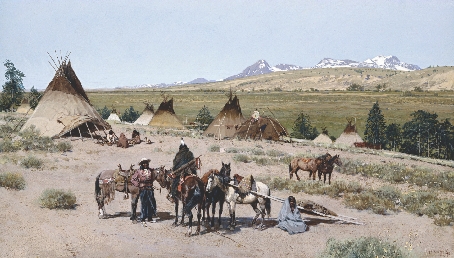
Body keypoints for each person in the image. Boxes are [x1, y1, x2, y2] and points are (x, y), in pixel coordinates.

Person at [131, 158, 157, 227]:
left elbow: (154, 177)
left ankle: (150, 218)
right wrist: (138, 184)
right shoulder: (138, 171)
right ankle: (143, 218)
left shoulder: (151, 170)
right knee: (144, 203)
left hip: (150, 189)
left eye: (146, 163)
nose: (145, 164)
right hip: (143, 189)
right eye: (144, 163)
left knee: (151, 203)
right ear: (142, 164)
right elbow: (133, 179)